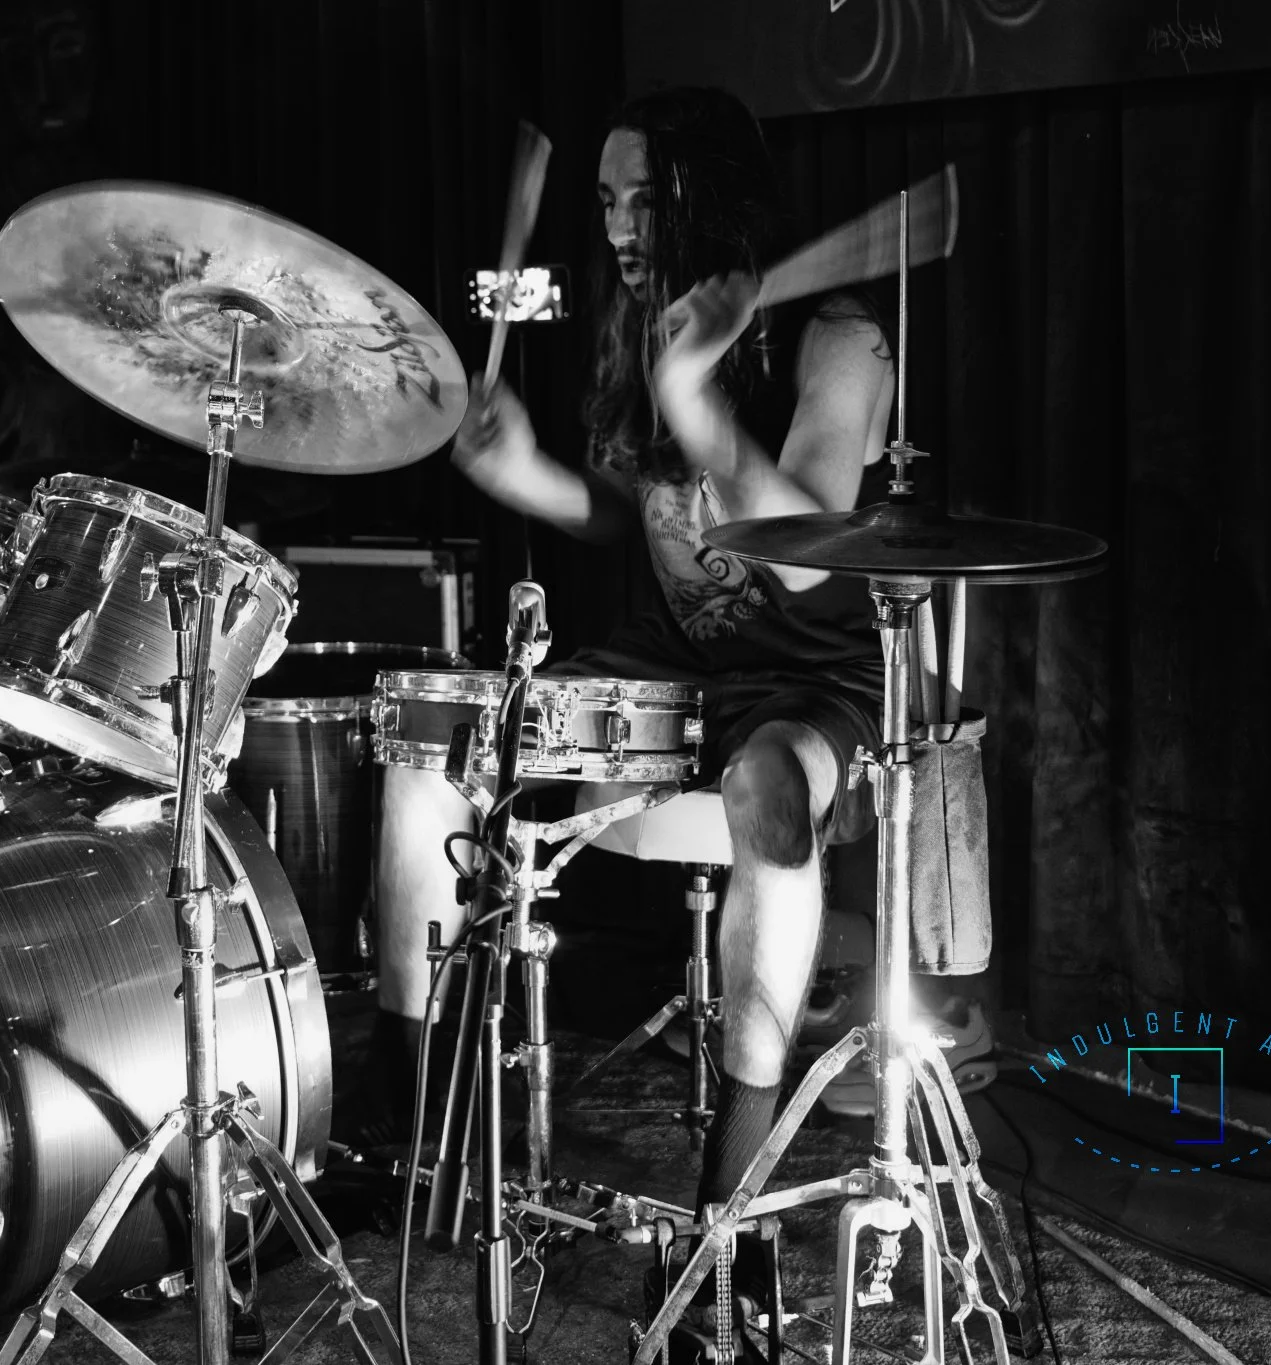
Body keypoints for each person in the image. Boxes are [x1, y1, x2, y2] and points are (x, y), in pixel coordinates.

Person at [373, 86, 895, 1357]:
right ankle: (420, 1129)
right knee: (430, 744)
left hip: (806, 679)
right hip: (670, 664)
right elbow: (627, 515)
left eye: (640, 198)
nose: (614, 224)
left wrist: (699, 400)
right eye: (603, 199)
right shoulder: (636, 329)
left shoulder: (837, 340)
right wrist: (521, 473)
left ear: (708, 196)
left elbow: (812, 548)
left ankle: (736, 1183)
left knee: (769, 793)